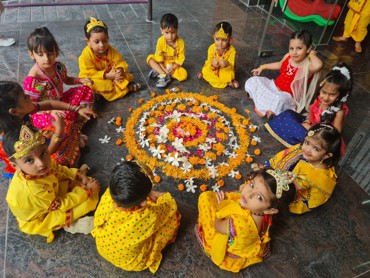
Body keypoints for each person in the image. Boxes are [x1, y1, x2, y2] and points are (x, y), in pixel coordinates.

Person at [3, 125, 100, 243]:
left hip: (49, 195)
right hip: (42, 215)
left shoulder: (40, 167)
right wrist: (86, 191)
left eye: (43, 153)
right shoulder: (34, 190)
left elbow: (58, 168)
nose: (41, 163)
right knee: (90, 201)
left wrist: (79, 175)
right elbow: (59, 204)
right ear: (15, 166)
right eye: (29, 160)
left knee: (86, 181)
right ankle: (71, 225)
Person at [195, 167, 296, 272]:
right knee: (238, 196)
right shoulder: (262, 210)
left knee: (205, 197)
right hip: (243, 226)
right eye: (252, 185)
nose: (248, 194)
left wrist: (221, 206)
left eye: (259, 197)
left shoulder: (240, 225)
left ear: (271, 210)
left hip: (226, 235)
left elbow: (217, 226)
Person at [92, 161, 180, 273]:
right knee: (173, 219)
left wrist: (147, 194)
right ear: (143, 202)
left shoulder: (109, 194)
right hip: (132, 262)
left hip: (104, 248)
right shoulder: (147, 215)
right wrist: (161, 196)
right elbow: (170, 207)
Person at [0, 81, 96, 178]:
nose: (29, 97)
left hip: (38, 146)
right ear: (14, 111)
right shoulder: (8, 141)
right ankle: (74, 145)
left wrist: (76, 109)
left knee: (67, 123)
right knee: (61, 159)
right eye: (25, 97)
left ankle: (73, 140)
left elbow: (49, 104)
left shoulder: (22, 112)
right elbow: (41, 157)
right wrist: (58, 133)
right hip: (33, 168)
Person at [264, 63, 351, 154]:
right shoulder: (319, 99)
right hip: (311, 124)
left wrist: (310, 128)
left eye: (332, 95)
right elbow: (311, 114)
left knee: (302, 134)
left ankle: (290, 134)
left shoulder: (339, 111)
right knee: (288, 113)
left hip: (320, 136)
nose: (326, 97)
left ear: (339, 95)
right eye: (324, 92)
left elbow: (334, 134)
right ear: (320, 89)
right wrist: (307, 121)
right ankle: (280, 127)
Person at [24, 27, 94, 128]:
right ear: (32, 55)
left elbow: (67, 79)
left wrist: (80, 80)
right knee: (57, 120)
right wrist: (52, 111)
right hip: (45, 112)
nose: (46, 58)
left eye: (50, 53)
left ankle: (76, 125)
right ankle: (71, 127)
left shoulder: (58, 67)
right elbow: (31, 106)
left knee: (85, 90)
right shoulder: (33, 80)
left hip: (61, 103)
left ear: (56, 52)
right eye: (40, 55)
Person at [264, 123, 341, 214]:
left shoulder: (315, 176)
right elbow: (286, 155)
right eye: (307, 142)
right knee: (297, 150)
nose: (308, 149)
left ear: (327, 155)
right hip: (298, 178)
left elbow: (290, 191)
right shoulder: (308, 153)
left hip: (301, 198)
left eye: (316, 149)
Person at [245, 30, 323, 120]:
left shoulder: (308, 65)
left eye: (299, 48)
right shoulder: (288, 57)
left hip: (286, 96)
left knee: (279, 100)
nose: (294, 52)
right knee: (254, 80)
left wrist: (311, 54)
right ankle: (261, 101)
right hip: (274, 86)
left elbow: (319, 65)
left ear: (308, 48)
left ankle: (270, 110)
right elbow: (279, 64)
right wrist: (263, 67)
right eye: (291, 48)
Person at [79, 17, 141, 101]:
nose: (102, 45)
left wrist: (120, 70)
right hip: (99, 79)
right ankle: (126, 89)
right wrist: (106, 76)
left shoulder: (111, 50)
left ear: (108, 38)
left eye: (104, 41)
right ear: (88, 41)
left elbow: (120, 61)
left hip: (114, 77)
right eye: (97, 42)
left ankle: (103, 96)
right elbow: (88, 73)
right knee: (89, 83)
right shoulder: (86, 55)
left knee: (124, 75)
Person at [147, 13, 187, 88]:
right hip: (162, 63)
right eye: (167, 32)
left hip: (173, 65)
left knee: (183, 75)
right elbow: (158, 56)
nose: (170, 36)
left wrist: (173, 68)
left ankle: (159, 73)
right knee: (150, 59)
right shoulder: (160, 41)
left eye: (173, 32)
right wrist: (164, 69)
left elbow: (181, 58)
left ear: (177, 30)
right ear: (161, 31)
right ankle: (164, 75)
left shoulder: (181, 42)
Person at [198, 22, 238, 89]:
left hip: (224, 71)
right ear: (214, 37)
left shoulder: (232, 50)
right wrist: (212, 63)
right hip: (213, 69)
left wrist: (227, 64)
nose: (220, 43)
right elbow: (208, 61)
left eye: (224, 40)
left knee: (230, 75)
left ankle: (210, 79)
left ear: (230, 40)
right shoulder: (211, 48)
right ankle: (227, 83)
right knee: (205, 70)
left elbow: (232, 66)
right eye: (217, 39)